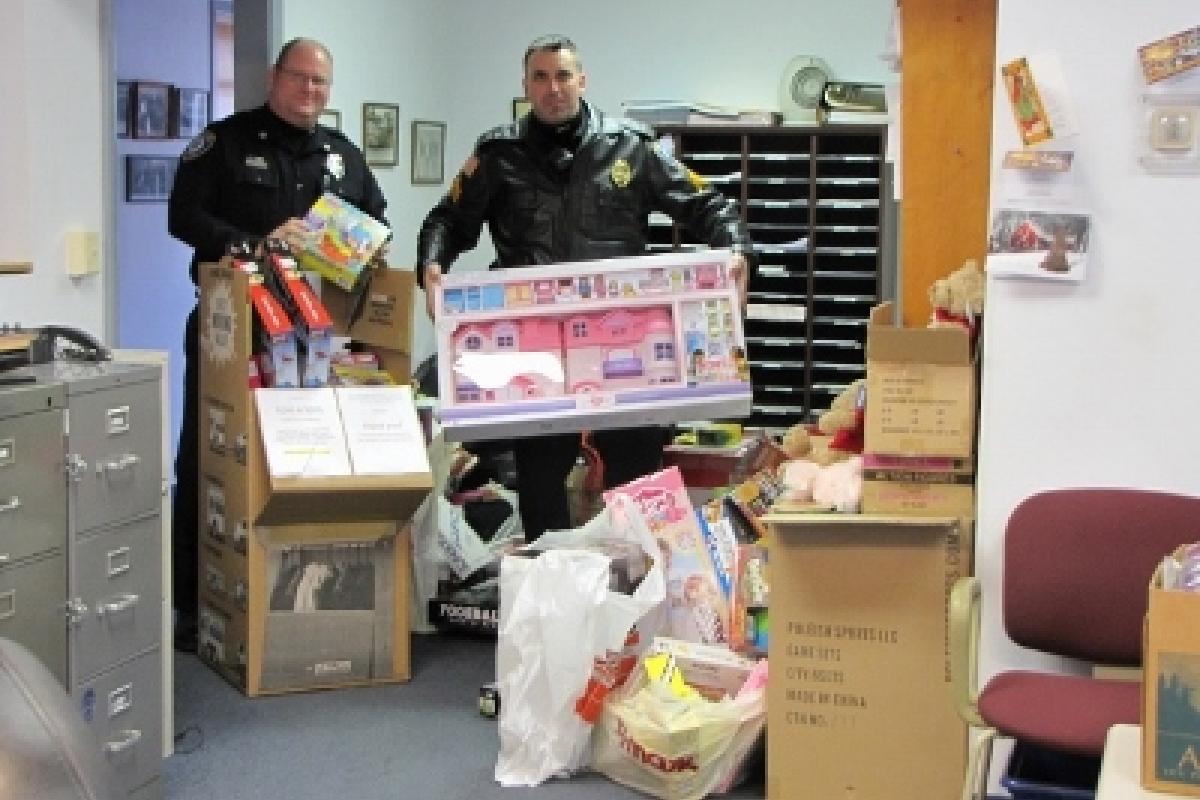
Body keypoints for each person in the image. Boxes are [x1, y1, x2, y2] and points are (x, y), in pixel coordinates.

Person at [417, 34, 753, 540]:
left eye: (563, 75)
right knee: (540, 493)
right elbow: (448, 219)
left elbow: (706, 204)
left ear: (582, 80)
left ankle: (635, 599)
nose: (553, 88)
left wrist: (736, 251)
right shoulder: (498, 155)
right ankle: (549, 603)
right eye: (541, 77)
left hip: (627, 351)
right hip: (535, 357)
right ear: (526, 85)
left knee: (634, 491)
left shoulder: (631, 147)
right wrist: (432, 264)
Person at [167, 37, 387, 651]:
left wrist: (371, 243)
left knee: (302, 459)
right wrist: (254, 244)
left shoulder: (342, 156)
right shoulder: (226, 143)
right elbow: (183, 217)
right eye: (300, 79)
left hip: (318, 335)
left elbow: (376, 217)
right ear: (274, 77)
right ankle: (193, 602)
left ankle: (291, 595)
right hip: (235, 326)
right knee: (211, 457)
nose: (310, 92)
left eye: (321, 83)